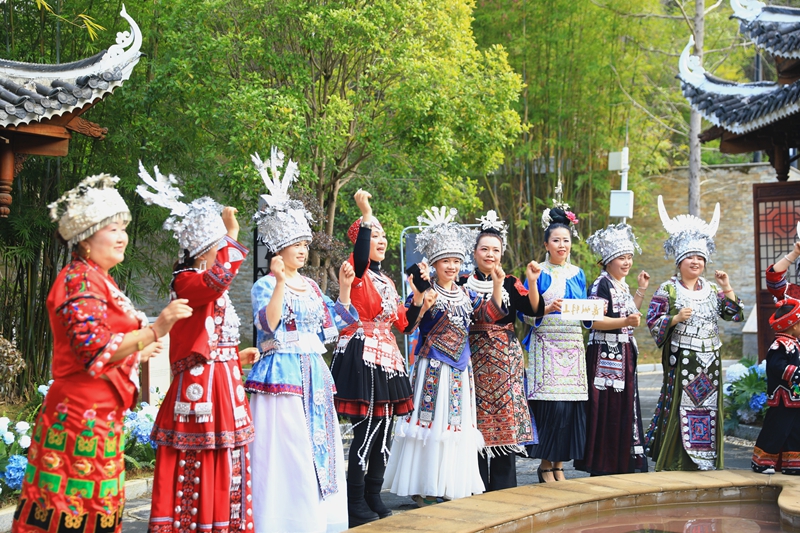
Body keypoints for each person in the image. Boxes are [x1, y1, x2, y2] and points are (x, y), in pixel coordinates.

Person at [13, 174, 191, 533]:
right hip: (79, 417)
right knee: (68, 508)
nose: (122, 235)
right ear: (85, 237)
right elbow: (94, 349)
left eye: (123, 227)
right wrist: (155, 329)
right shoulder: (78, 281)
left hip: (99, 417)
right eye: (112, 228)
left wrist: (136, 352)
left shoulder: (99, 279)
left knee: (97, 508)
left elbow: (103, 351)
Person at [135, 163, 258, 533]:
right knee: (199, 456)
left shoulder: (203, 283)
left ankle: (221, 522)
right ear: (205, 252)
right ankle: (196, 522)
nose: (225, 254)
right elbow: (218, 281)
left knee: (225, 456)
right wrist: (233, 234)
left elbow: (210, 332)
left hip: (223, 381)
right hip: (200, 387)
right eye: (219, 247)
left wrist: (235, 358)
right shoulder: (187, 280)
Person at [243, 148, 358, 533]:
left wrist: (343, 291)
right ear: (279, 250)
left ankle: (315, 517)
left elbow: (333, 326)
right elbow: (268, 326)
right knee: (287, 450)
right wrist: (277, 282)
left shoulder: (310, 285)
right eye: (297, 244)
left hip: (314, 371)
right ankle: (281, 517)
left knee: (318, 446)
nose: (303, 250)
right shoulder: (264, 284)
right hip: (282, 376)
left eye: (305, 244)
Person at [382, 206, 506, 505]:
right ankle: (421, 484)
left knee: (454, 425)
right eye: (445, 261)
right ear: (434, 264)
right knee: (429, 423)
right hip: (432, 367)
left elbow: (490, 315)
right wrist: (423, 304)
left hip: (461, 370)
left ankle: (449, 483)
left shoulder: (465, 293)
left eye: (455, 261)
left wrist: (499, 283)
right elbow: (407, 326)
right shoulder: (425, 292)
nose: (451, 266)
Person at [330, 190, 414, 526]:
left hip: (387, 355)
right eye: (373, 233)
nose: (380, 239)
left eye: (382, 234)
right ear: (361, 239)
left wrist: (421, 299)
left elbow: (403, 323)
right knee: (367, 428)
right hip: (361, 351)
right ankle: (355, 500)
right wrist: (366, 212)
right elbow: (361, 257)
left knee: (385, 428)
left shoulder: (387, 280)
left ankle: (373, 494)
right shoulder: (356, 269)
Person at [645, 196, 744, 471]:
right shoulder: (668, 289)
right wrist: (675, 318)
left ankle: (707, 457)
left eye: (700, 257)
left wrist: (727, 286)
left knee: (708, 407)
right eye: (690, 257)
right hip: (684, 359)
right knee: (682, 407)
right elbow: (652, 321)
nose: (695, 261)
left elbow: (733, 314)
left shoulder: (712, 289)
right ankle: (679, 458)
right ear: (679, 261)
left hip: (711, 359)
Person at [457, 210, 543, 491]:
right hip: (471, 358)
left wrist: (531, 281)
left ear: (502, 253)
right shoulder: (461, 282)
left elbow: (533, 309)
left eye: (495, 250)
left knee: (505, 419)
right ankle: (476, 484)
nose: (490, 254)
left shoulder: (509, 281)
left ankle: (504, 489)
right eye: (485, 249)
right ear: (474, 251)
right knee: (474, 419)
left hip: (505, 358)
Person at [574, 223, 650, 476]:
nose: (626, 262)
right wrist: (625, 323)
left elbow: (629, 314)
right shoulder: (600, 285)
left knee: (622, 406)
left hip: (623, 353)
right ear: (608, 261)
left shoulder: (621, 285)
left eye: (629, 257)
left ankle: (620, 461)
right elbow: (593, 322)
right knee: (607, 407)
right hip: (604, 356)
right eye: (621, 258)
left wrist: (640, 290)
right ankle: (604, 463)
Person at [521, 200, 588, 483]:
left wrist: (588, 308)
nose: (562, 245)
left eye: (566, 240)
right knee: (551, 406)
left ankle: (560, 464)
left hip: (572, 345)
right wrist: (546, 307)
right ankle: (545, 464)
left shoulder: (579, 274)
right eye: (556, 240)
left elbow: (586, 312)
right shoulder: (538, 272)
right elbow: (524, 313)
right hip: (546, 345)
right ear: (546, 244)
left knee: (569, 408)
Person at [751, 296, 800, 475]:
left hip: (795, 394)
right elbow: (775, 366)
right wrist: (795, 372)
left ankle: (792, 464)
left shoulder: (795, 344)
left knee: (795, 429)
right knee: (776, 428)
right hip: (782, 396)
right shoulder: (781, 345)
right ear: (793, 325)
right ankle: (762, 462)